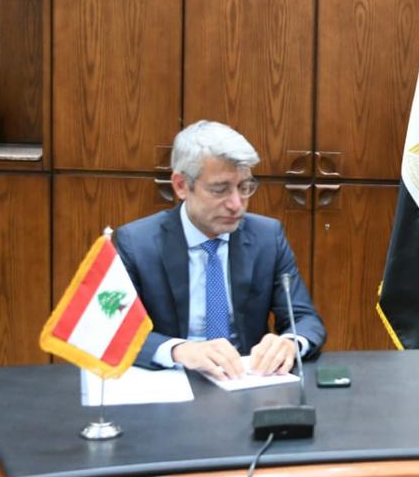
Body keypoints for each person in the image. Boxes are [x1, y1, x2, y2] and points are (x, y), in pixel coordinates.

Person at [114, 121, 325, 380]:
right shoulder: (137, 243)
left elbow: (304, 318)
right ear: (181, 185)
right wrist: (178, 350)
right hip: (173, 380)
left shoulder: (266, 237)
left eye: (244, 187)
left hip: (247, 379)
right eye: (220, 189)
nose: (236, 204)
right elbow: (114, 331)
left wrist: (290, 342)